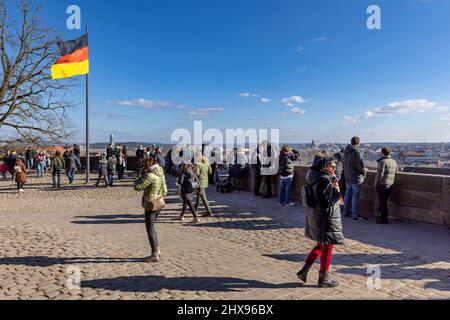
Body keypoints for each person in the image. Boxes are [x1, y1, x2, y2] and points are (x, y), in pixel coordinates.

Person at [297, 157, 345, 288]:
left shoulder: (315, 177)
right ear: (324, 167)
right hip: (326, 218)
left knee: (320, 245)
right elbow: (327, 202)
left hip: (318, 216)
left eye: (335, 167)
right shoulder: (324, 180)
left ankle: (304, 270)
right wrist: (336, 189)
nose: (334, 169)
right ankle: (323, 277)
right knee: (327, 247)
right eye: (331, 167)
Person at [134, 157, 168, 263]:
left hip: (150, 203)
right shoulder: (160, 174)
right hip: (159, 203)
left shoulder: (149, 175)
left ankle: (154, 253)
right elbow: (165, 191)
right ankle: (157, 249)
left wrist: (139, 175)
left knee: (150, 229)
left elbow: (137, 187)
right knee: (152, 227)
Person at [343, 137, 367, 221]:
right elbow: (361, 165)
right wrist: (363, 172)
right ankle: (355, 214)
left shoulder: (346, 151)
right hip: (356, 177)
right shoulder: (357, 152)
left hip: (347, 176)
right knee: (355, 196)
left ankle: (345, 212)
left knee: (347, 194)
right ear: (358, 143)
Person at [374, 147, 398, 224]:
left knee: (382, 202)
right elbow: (396, 172)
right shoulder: (394, 161)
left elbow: (379, 175)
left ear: (382, 153)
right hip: (390, 184)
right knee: (383, 201)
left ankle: (383, 219)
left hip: (383, 185)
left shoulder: (382, 162)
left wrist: (375, 184)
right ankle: (381, 217)